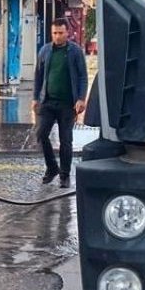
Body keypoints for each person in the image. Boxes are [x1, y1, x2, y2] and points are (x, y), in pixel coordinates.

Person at [32, 18, 89, 188]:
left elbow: (82, 76)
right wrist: (35, 98)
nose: (57, 36)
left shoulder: (75, 51)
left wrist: (81, 98)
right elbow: (38, 76)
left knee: (66, 140)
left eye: (61, 33)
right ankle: (52, 168)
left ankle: (64, 174)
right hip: (47, 102)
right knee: (41, 134)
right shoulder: (45, 51)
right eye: (54, 33)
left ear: (67, 33)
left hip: (67, 104)